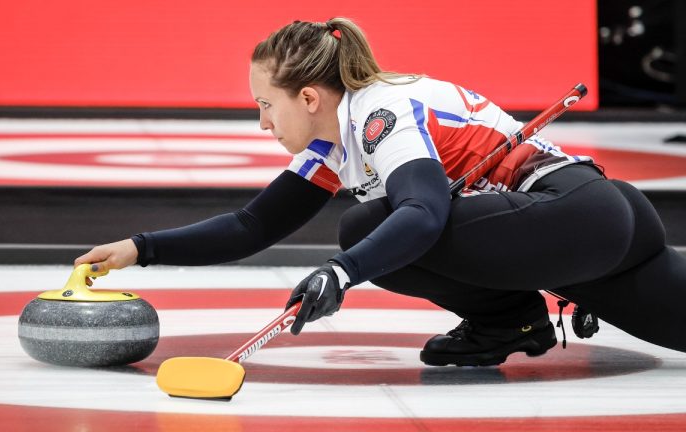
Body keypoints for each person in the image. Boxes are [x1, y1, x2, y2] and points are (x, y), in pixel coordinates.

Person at [75, 18, 686, 367]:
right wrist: (140, 247)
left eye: (266, 104)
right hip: (597, 223)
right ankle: (512, 324)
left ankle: (508, 319)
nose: (262, 122)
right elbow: (252, 226)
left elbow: (423, 213)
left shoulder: (380, 114)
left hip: (573, 217)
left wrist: (340, 275)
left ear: (308, 98)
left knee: (365, 230)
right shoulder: (332, 146)